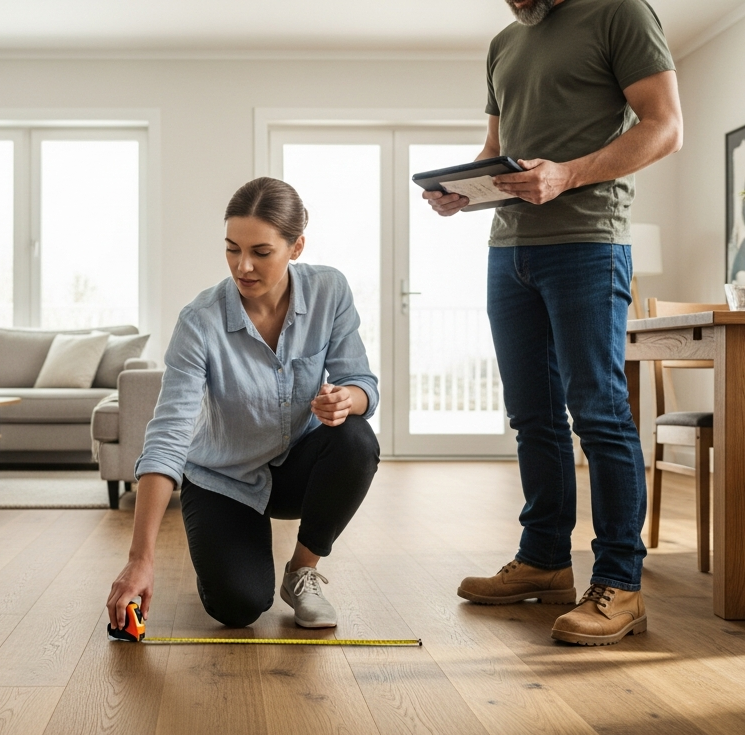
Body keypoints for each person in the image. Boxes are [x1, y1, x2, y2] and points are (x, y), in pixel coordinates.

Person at [423, 0, 683, 645]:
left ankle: (620, 583)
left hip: (589, 244)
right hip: (509, 251)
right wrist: (465, 190)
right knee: (532, 415)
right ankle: (543, 560)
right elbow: (496, 149)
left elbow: (665, 126)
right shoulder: (505, 41)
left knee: (598, 411)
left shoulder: (619, 12)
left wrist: (567, 174)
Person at [106, 177, 380, 631]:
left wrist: (346, 399)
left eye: (261, 252)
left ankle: (301, 572)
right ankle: (231, 555)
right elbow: (169, 434)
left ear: (296, 248)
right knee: (238, 606)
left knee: (356, 439)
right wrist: (140, 559)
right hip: (223, 478)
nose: (243, 266)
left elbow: (361, 382)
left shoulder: (330, 290)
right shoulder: (200, 321)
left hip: (298, 469)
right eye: (232, 248)